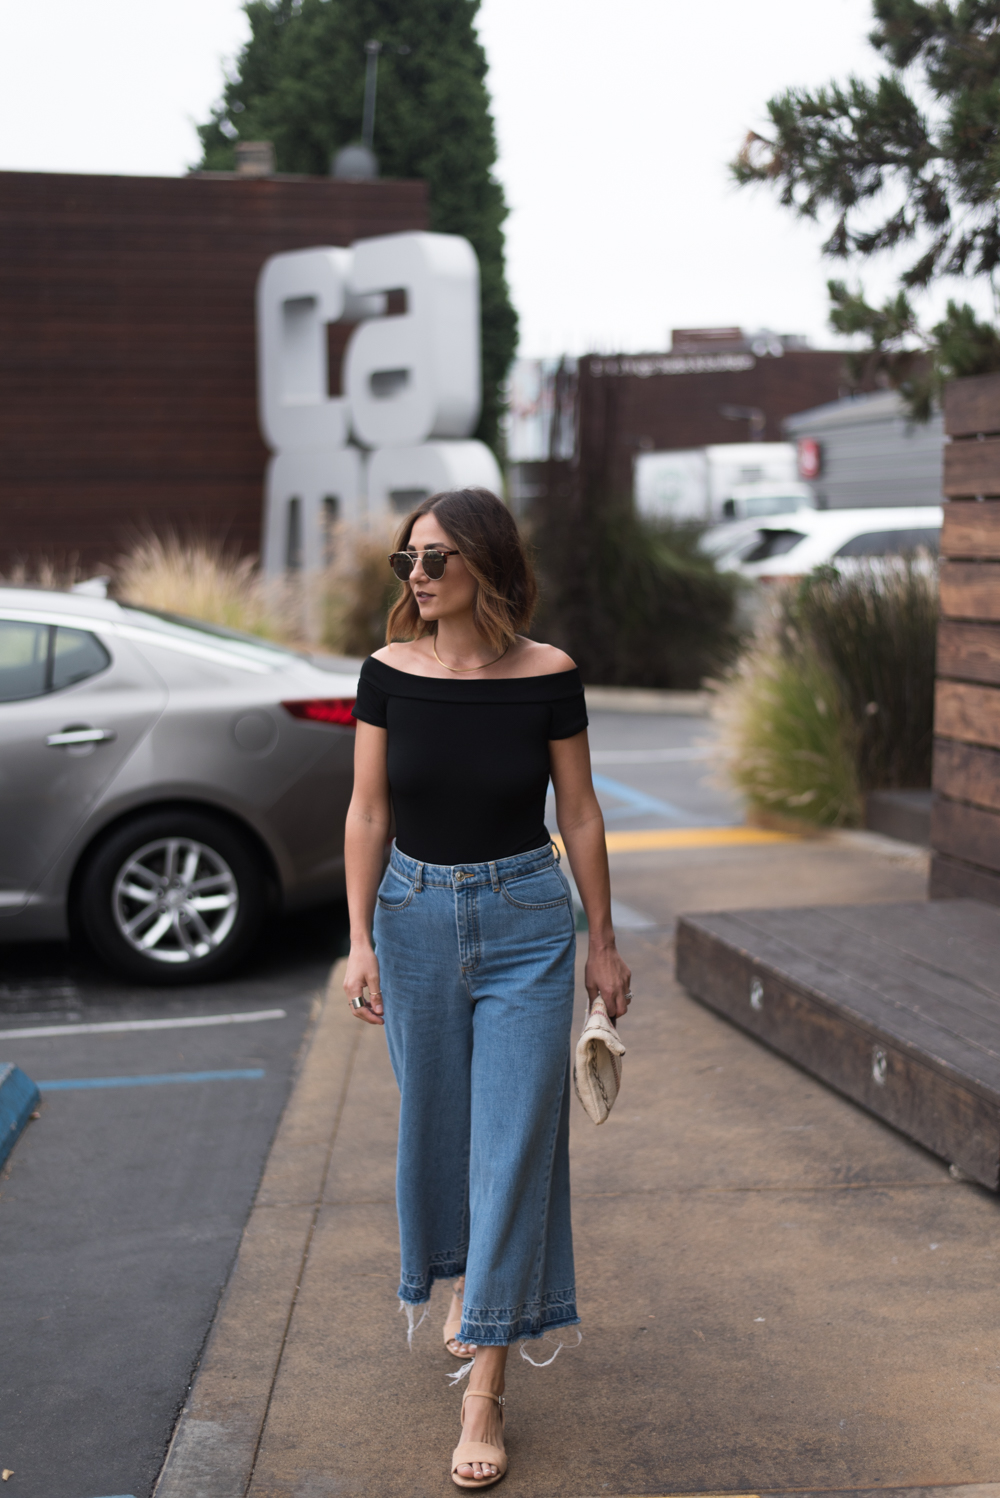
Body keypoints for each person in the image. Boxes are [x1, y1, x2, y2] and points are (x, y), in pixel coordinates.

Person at [343, 487, 631, 1488]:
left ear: (483, 565)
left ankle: (485, 1393)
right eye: (406, 561)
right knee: (440, 1131)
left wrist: (604, 943)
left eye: (434, 560)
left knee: (514, 1142)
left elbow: (583, 814)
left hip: (527, 924)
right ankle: (466, 1284)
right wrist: (358, 941)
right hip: (412, 918)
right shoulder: (386, 673)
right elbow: (367, 813)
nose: (415, 577)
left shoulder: (548, 674)